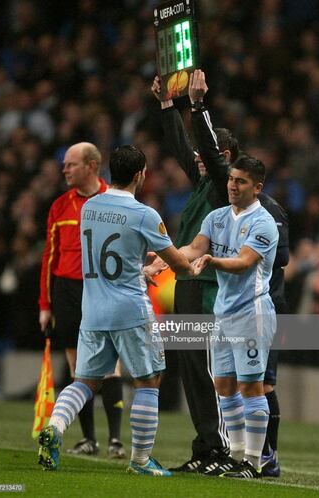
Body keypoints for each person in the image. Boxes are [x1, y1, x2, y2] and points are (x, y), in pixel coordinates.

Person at [152, 69, 288, 477]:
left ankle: (225, 448)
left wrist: (196, 105)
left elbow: (205, 153)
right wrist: (166, 107)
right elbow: (182, 148)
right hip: (190, 285)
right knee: (197, 371)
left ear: (226, 161)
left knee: (216, 373)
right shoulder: (206, 190)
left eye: (207, 155)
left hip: (214, 291)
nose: (196, 158)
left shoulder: (220, 184)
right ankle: (208, 445)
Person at [37, 145, 197, 475]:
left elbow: (109, 257)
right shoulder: (144, 214)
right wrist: (193, 268)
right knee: (149, 380)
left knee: (84, 381)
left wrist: (142, 268)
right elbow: (177, 263)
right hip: (130, 311)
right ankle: (139, 461)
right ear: (141, 175)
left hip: (93, 310)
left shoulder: (89, 208)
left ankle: (54, 427)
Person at [183, 154, 279, 479]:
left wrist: (212, 261)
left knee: (251, 386)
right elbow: (194, 249)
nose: (232, 186)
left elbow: (243, 262)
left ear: (257, 187)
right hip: (223, 313)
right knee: (224, 385)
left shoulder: (264, 223)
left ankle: (253, 462)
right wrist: (162, 260)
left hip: (251, 313)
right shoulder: (217, 217)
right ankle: (235, 457)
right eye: (230, 179)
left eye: (240, 181)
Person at [38, 142, 125, 458]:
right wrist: (45, 305)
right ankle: (89, 439)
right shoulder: (60, 206)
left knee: (111, 365)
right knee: (79, 366)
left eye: (71, 164)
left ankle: (116, 440)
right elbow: (50, 257)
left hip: (103, 289)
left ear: (91, 165)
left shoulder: (114, 201)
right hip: (68, 291)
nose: (64, 170)